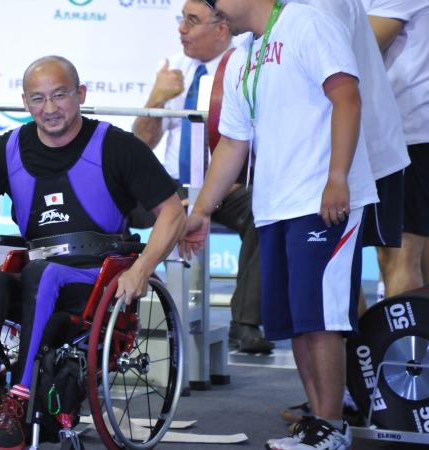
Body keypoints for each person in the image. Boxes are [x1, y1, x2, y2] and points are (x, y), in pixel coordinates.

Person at [0, 55, 185, 450]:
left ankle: (18, 402)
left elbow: (172, 211)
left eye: (59, 95)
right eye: (38, 98)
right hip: (36, 273)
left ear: (80, 94)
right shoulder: (7, 149)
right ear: (26, 103)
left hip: (95, 278)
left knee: (46, 274)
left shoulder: (115, 146)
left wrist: (143, 269)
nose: (50, 108)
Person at [181, 1, 378, 449]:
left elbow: (346, 94)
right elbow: (233, 142)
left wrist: (337, 177)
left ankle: (331, 428)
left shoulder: (308, 21)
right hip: (274, 205)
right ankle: (319, 425)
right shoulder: (242, 56)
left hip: (321, 200)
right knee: (299, 322)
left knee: (323, 320)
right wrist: (201, 212)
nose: (214, 7)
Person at [274, 0, 410, 426]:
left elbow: (343, 80)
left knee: (397, 265)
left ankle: (405, 399)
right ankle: (352, 390)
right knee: (332, 290)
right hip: (332, 156)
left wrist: (336, 174)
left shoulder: (318, 7)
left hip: (367, 150)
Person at [133, 0, 274, 354]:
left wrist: (230, 181)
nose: (181, 29)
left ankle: (244, 321)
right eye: (182, 19)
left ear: (221, 28)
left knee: (263, 209)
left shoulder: (247, 65)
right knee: (107, 196)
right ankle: (118, 311)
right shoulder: (173, 70)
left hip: (227, 184)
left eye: (192, 21)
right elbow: (138, 147)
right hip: (170, 186)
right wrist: (157, 97)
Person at [365, 0, 429, 297]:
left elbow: (360, 46)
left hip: (410, 133)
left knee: (400, 254)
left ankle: (403, 344)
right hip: (386, 133)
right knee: (397, 255)